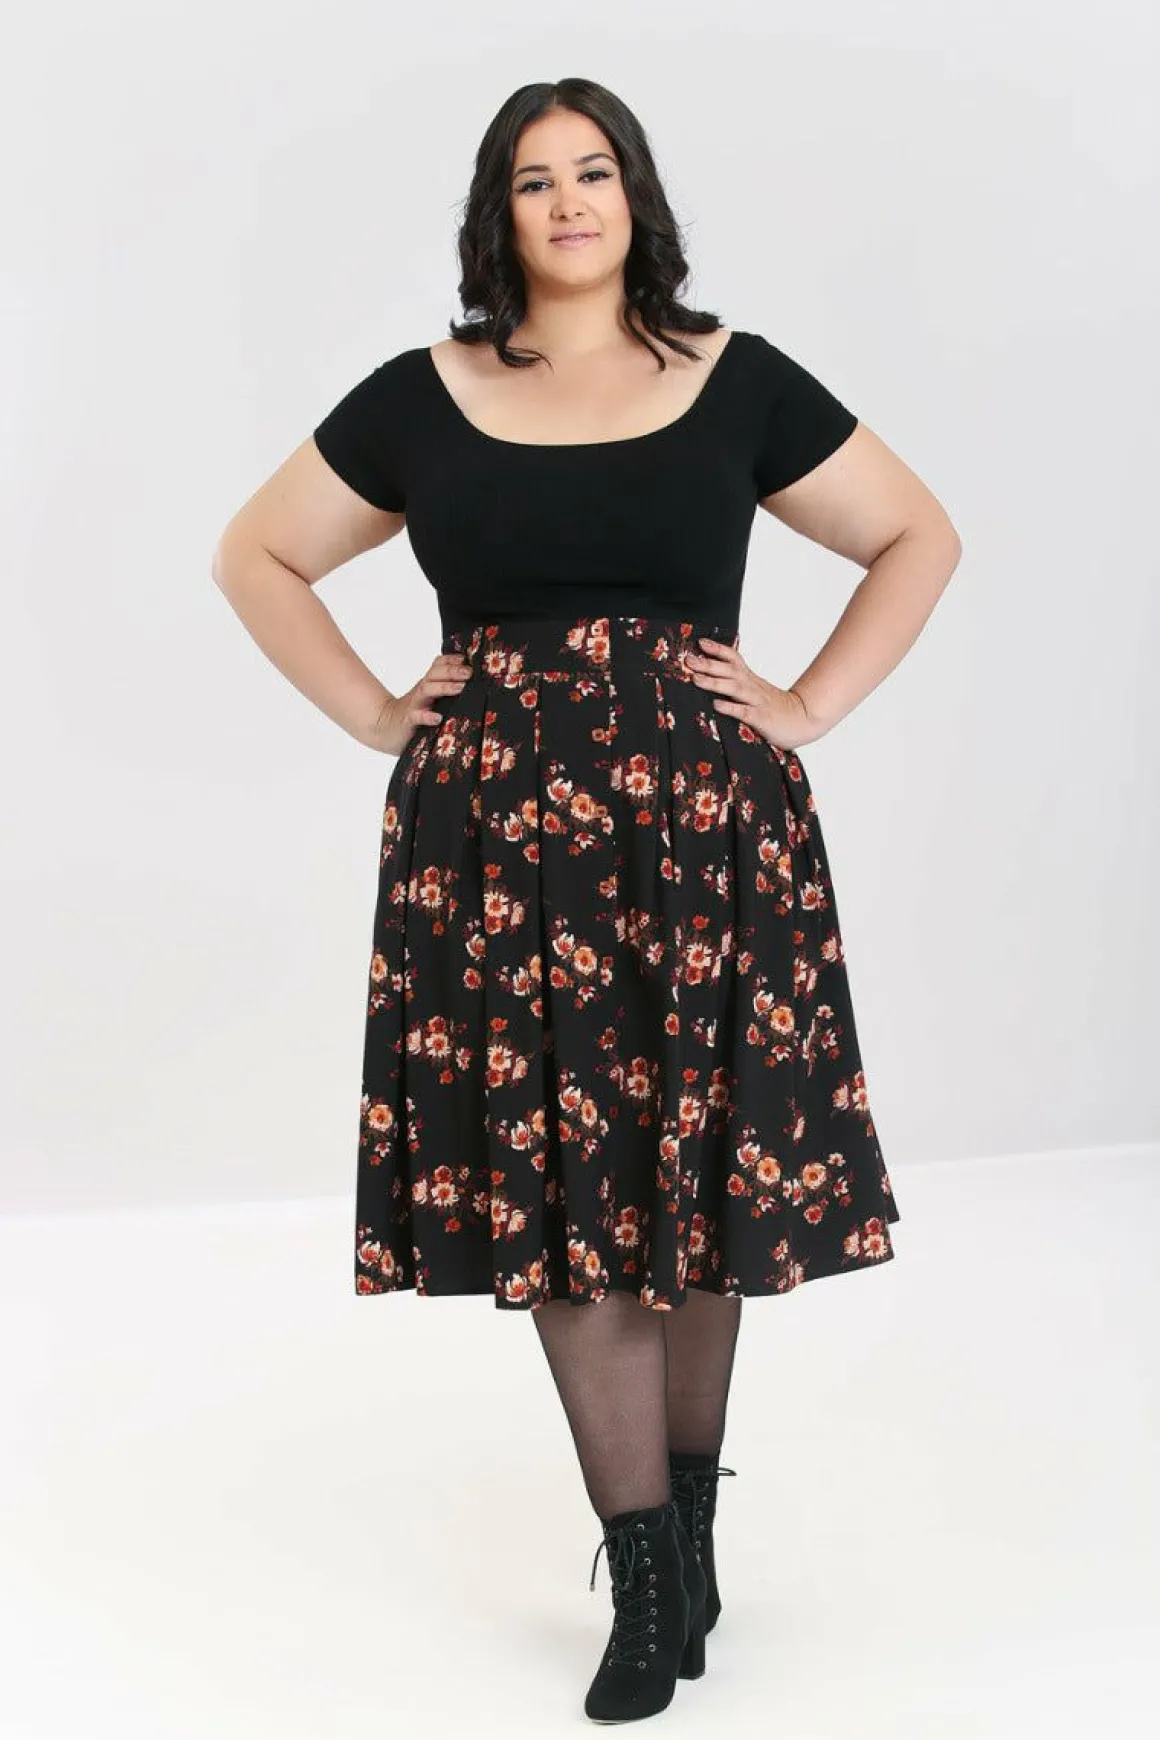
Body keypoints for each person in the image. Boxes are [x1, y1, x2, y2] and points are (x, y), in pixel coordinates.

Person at [212, 77, 961, 1726]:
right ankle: (643, 1577)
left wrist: (810, 704)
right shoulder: (427, 394)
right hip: (496, 850)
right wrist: (376, 713)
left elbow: (915, 533)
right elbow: (257, 554)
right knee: (565, 1201)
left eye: (595, 171)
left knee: (699, 1185)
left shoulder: (735, 379)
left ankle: (691, 1539)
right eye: (536, 179)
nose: (569, 201)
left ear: (636, 198)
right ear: (498, 213)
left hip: (706, 838)